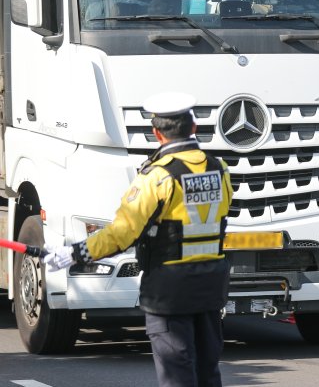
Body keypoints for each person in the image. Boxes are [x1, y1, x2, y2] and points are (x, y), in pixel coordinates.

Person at [43, 92, 234, 387]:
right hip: (210, 287)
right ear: (193, 127)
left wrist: (75, 253)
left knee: (177, 374)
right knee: (208, 371)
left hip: (170, 292)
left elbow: (122, 233)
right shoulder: (219, 170)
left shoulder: (157, 178)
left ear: (156, 133)